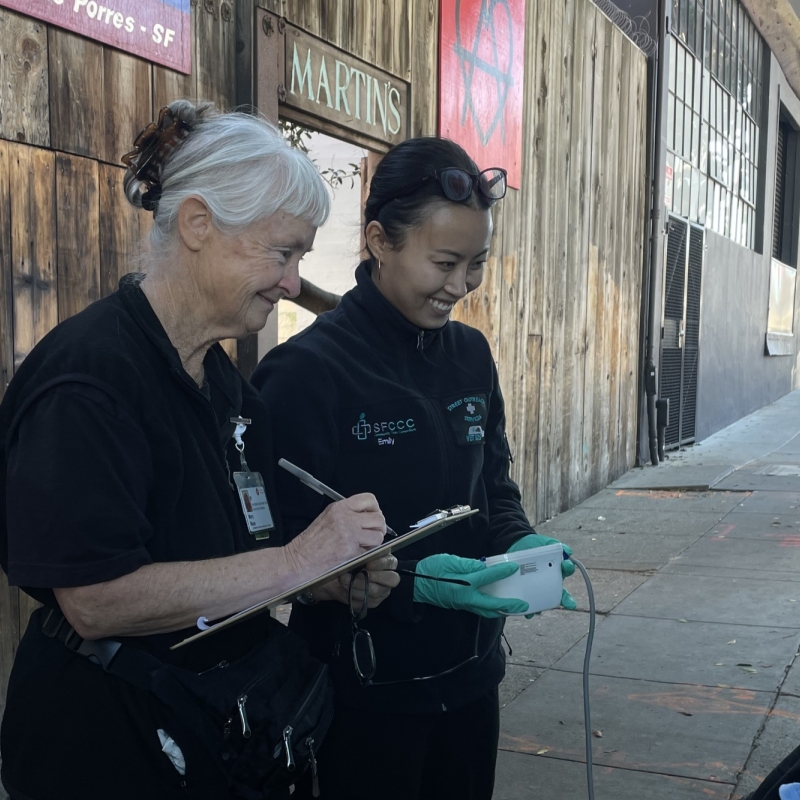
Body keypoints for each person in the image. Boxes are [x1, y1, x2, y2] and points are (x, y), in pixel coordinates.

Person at [0, 101, 397, 800]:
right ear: (197, 225)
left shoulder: (231, 391)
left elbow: (223, 562)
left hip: (205, 732)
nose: (291, 282)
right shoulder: (89, 381)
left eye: (299, 256)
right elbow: (93, 599)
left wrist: (331, 576)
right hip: (102, 747)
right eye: (282, 253)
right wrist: (296, 561)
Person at [251, 137, 577, 800]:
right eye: (445, 262)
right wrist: (408, 586)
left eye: (477, 263)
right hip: (361, 695)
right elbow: (277, 553)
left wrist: (516, 540)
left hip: (472, 676)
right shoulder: (304, 373)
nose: (460, 286)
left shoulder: (469, 354)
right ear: (379, 241)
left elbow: (491, 483)